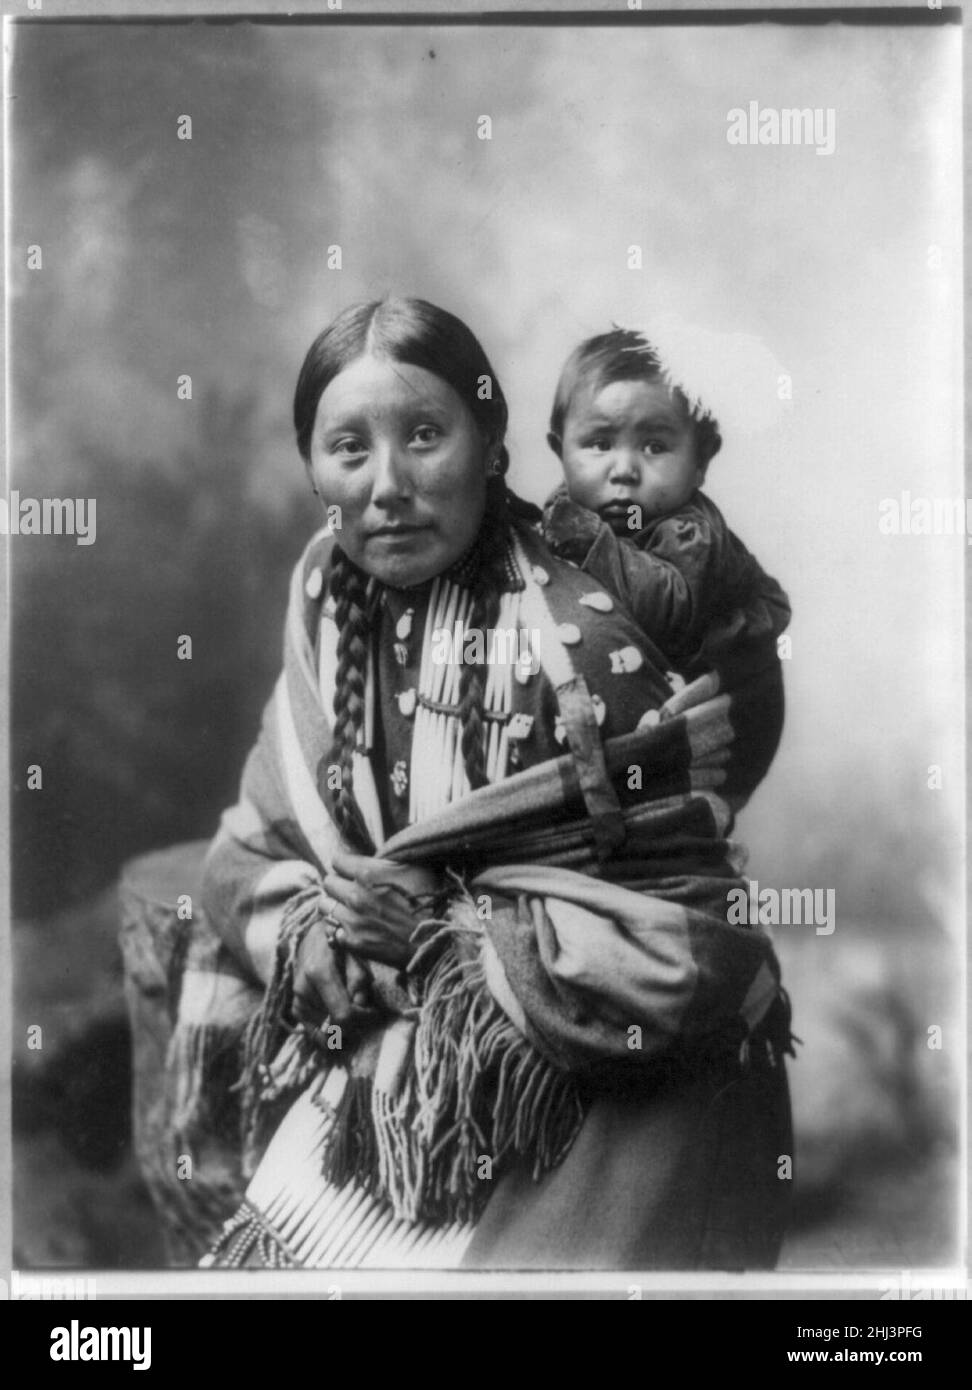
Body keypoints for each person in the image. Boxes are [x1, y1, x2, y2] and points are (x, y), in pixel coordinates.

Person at [186, 297, 793, 1271]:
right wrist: (320, 929)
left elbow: (691, 946)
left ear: (493, 445)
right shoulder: (325, 604)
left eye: (425, 435)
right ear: (312, 469)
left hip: (599, 1086)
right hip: (400, 1052)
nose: (389, 485)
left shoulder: (575, 639)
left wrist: (441, 940)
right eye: (349, 447)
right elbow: (255, 841)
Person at [542, 328, 790, 694]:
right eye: (599, 444)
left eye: (655, 447)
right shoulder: (583, 503)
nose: (624, 469)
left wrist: (593, 543)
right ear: (560, 450)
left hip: (732, 673)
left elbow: (669, 613)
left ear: (700, 463)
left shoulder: (689, 531)